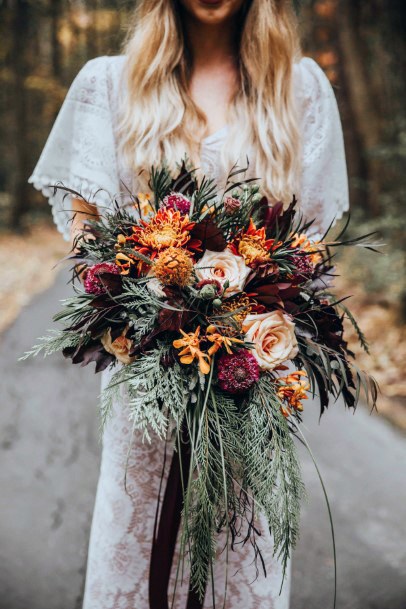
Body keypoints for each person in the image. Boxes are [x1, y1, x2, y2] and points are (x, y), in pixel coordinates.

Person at [28, 1, 349, 607]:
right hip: (143, 385)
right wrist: (143, 299)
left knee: (238, 556)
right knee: (140, 542)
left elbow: (313, 246)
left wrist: (248, 314)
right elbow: (86, 234)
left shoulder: (300, 88)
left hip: (251, 386)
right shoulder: (108, 83)